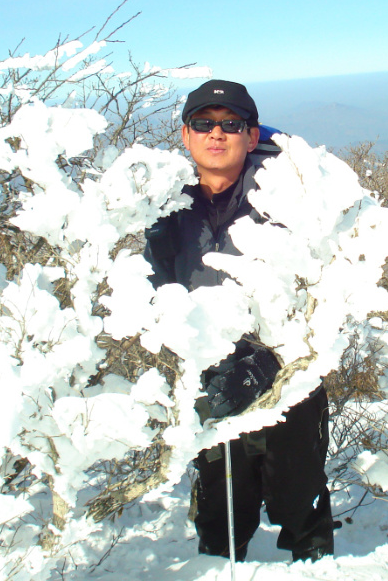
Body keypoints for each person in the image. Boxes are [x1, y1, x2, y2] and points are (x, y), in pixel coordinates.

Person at [143, 79, 335, 562]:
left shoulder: (288, 196)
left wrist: (267, 358)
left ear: (252, 136)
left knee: (299, 491)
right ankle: (220, 560)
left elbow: (325, 281)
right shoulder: (166, 207)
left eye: (232, 124)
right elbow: (155, 289)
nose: (217, 133)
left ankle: (315, 566)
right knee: (221, 507)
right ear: (185, 136)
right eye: (202, 123)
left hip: (289, 373)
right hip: (210, 371)